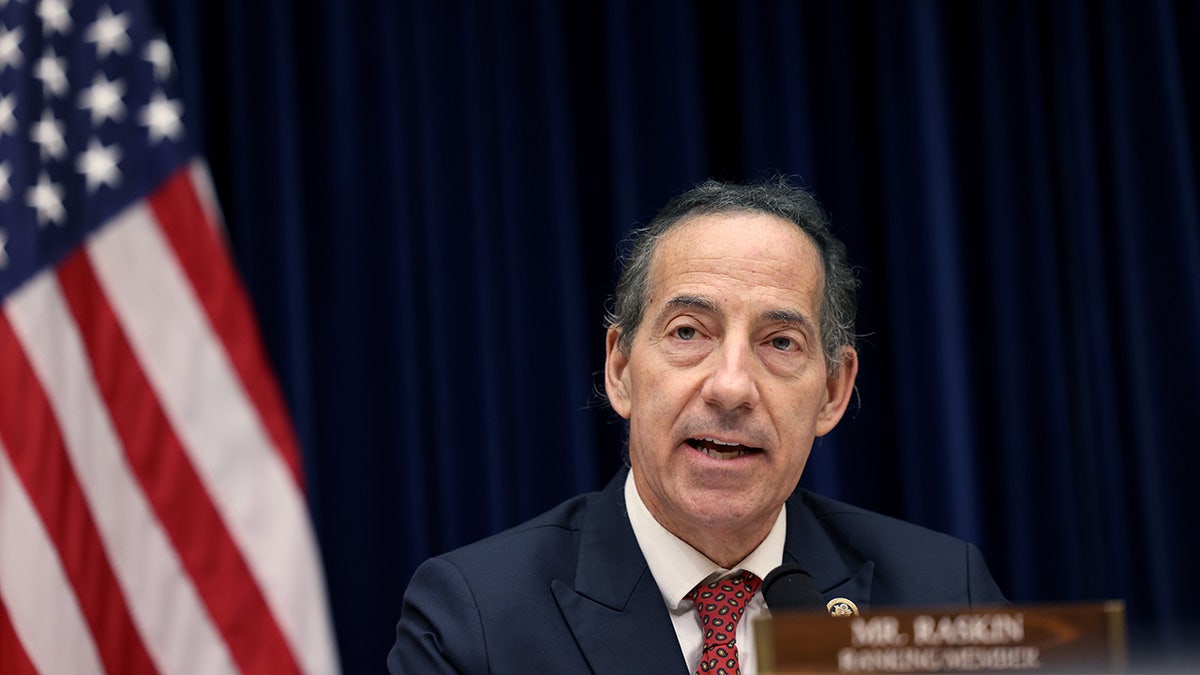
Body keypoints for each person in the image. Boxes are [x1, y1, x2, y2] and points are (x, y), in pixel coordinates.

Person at [388, 178, 1006, 674]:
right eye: (689, 333)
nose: (731, 387)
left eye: (780, 342)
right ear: (621, 368)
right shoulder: (474, 619)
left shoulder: (946, 595)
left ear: (834, 391)